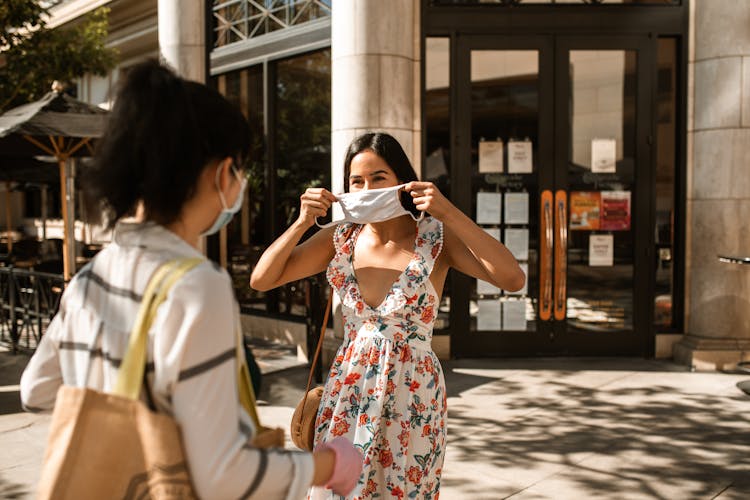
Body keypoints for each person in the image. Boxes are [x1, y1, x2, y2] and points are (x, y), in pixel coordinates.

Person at [19, 59, 361, 500]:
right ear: (221, 172)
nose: (239, 186)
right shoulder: (196, 285)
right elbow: (225, 474)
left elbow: (36, 390)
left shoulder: (90, 276)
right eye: (239, 170)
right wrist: (330, 464)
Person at [250, 132, 525, 499]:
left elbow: (511, 277)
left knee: (402, 489)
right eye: (356, 181)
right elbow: (261, 279)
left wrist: (448, 212)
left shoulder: (435, 238)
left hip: (413, 396)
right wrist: (302, 222)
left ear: (403, 182)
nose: (366, 188)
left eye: (379, 178)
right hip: (349, 387)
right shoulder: (341, 238)